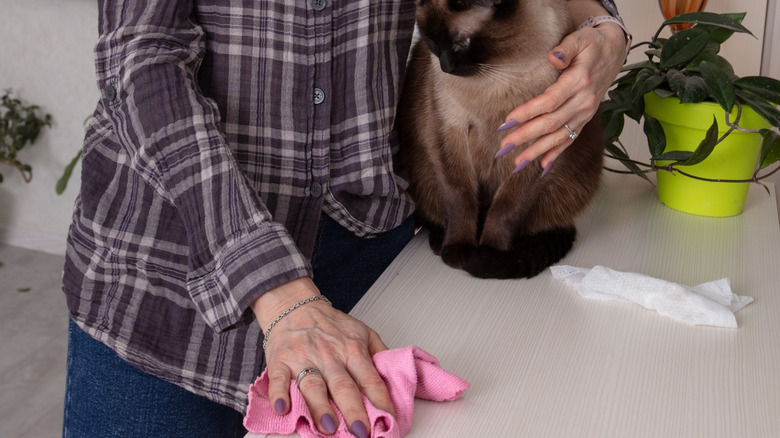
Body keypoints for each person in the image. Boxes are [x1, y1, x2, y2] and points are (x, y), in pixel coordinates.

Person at [62, 0, 630, 437]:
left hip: (368, 259)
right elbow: (140, 62)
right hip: (167, 270)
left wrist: (602, 30)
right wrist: (276, 289)